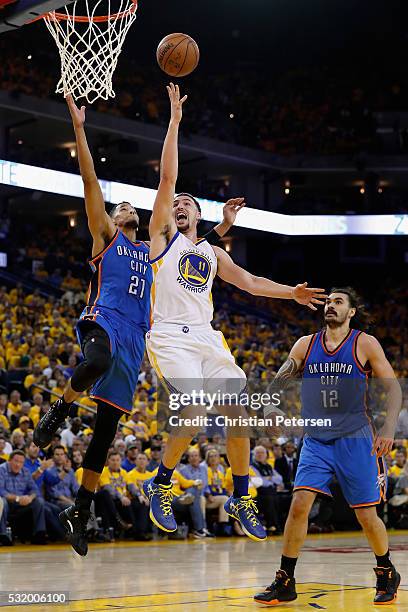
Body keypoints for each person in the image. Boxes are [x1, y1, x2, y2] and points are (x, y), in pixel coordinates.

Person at [33, 95, 238, 556]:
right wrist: (79, 130)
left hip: (135, 340)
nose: (125, 206)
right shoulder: (105, 235)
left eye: (130, 204)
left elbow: (193, 250)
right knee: (95, 361)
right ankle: (59, 409)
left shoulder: (152, 252)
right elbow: (89, 179)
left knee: (105, 431)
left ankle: (80, 510)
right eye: (120, 204)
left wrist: (222, 228)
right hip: (102, 321)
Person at [142, 83, 326, 541]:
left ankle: (241, 495)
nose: (179, 205)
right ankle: (160, 484)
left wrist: (292, 294)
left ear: (198, 218)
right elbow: (167, 180)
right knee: (192, 411)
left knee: (239, 410)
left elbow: (249, 282)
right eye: (176, 204)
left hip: (206, 336)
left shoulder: (209, 251)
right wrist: (175, 122)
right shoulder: (162, 239)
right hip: (168, 335)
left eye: (187, 205)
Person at [254, 287, 402, 605]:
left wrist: (388, 428)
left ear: (351, 312)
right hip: (317, 439)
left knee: (366, 515)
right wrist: (269, 403)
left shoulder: (364, 343)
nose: (331, 306)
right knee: (299, 506)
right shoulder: (306, 344)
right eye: (329, 301)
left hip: (356, 439)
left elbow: (393, 389)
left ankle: (386, 570)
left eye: (338, 302)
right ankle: (285, 579)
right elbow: (283, 375)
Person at [0, 450, 47, 544]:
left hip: (22, 503)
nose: (18, 464)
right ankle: (3, 535)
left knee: (39, 501)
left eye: (21, 462)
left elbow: (35, 490)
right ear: (9, 461)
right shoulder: (1, 469)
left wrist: (30, 498)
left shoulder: (25, 471)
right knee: (2, 501)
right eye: (16, 461)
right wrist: (17, 498)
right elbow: (1, 491)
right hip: (7, 501)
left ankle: (39, 534)